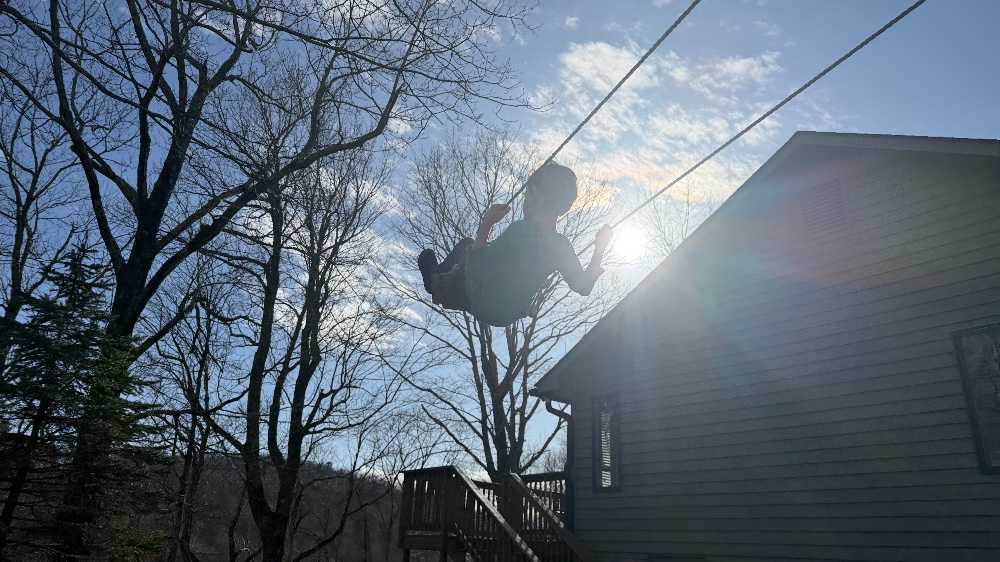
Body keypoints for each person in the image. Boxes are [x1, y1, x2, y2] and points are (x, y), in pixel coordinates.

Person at [417, 161, 612, 327]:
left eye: (526, 195)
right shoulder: (561, 245)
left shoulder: (522, 230)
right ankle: (440, 278)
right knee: (475, 250)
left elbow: (477, 270)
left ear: (534, 193)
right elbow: (584, 286)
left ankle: (437, 282)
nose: (524, 201)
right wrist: (600, 248)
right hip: (507, 314)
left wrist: (486, 225)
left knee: (464, 246)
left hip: (482, 299)